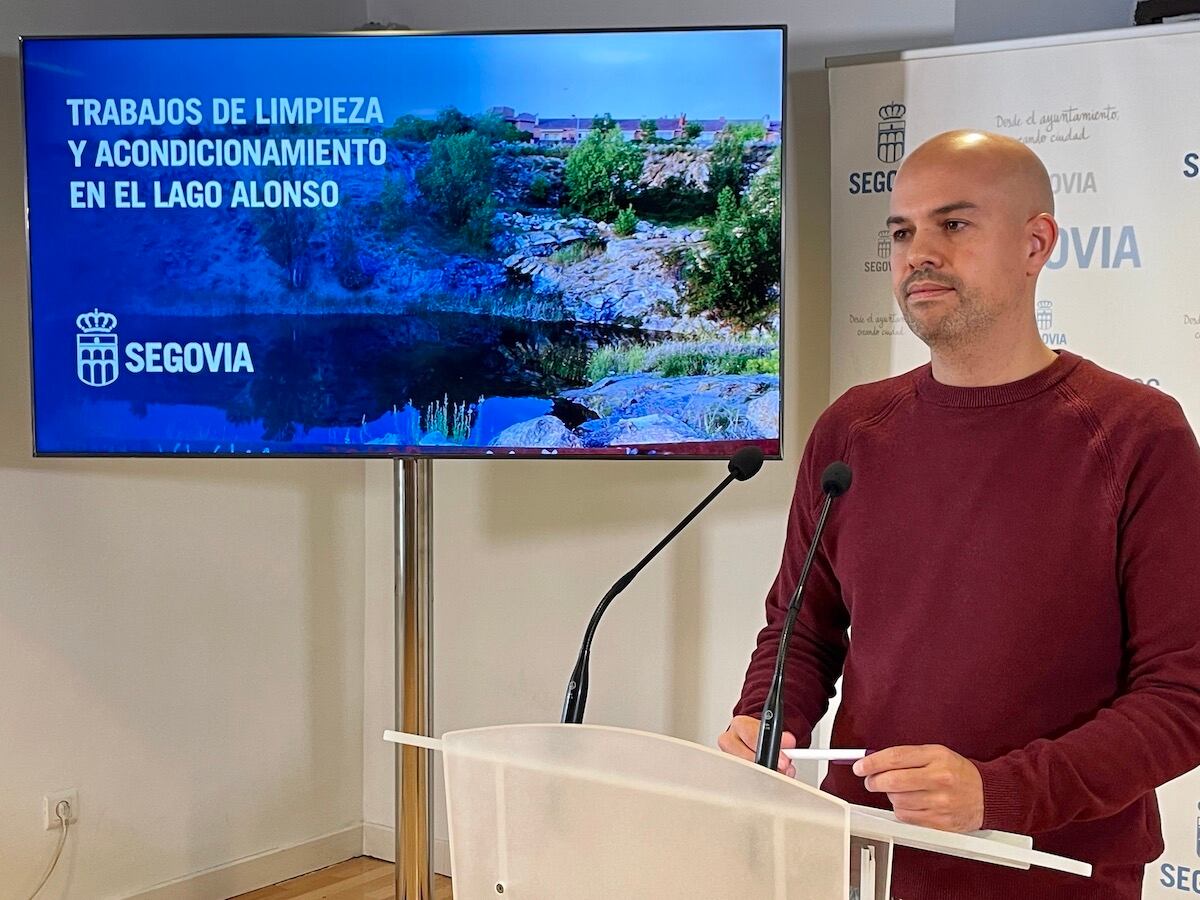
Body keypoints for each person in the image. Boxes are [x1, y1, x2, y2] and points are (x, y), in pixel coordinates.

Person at [718, 130, 1200, 899]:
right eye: (902, 232)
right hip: (866, 858)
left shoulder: (1137, 433)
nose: (919, 254)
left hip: (1055, 876)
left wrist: (996, 793)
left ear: (1036, 243)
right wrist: (767, 719)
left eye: (953, 224)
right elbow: (801, 630)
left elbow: (1182, 696)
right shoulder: (852, 429)